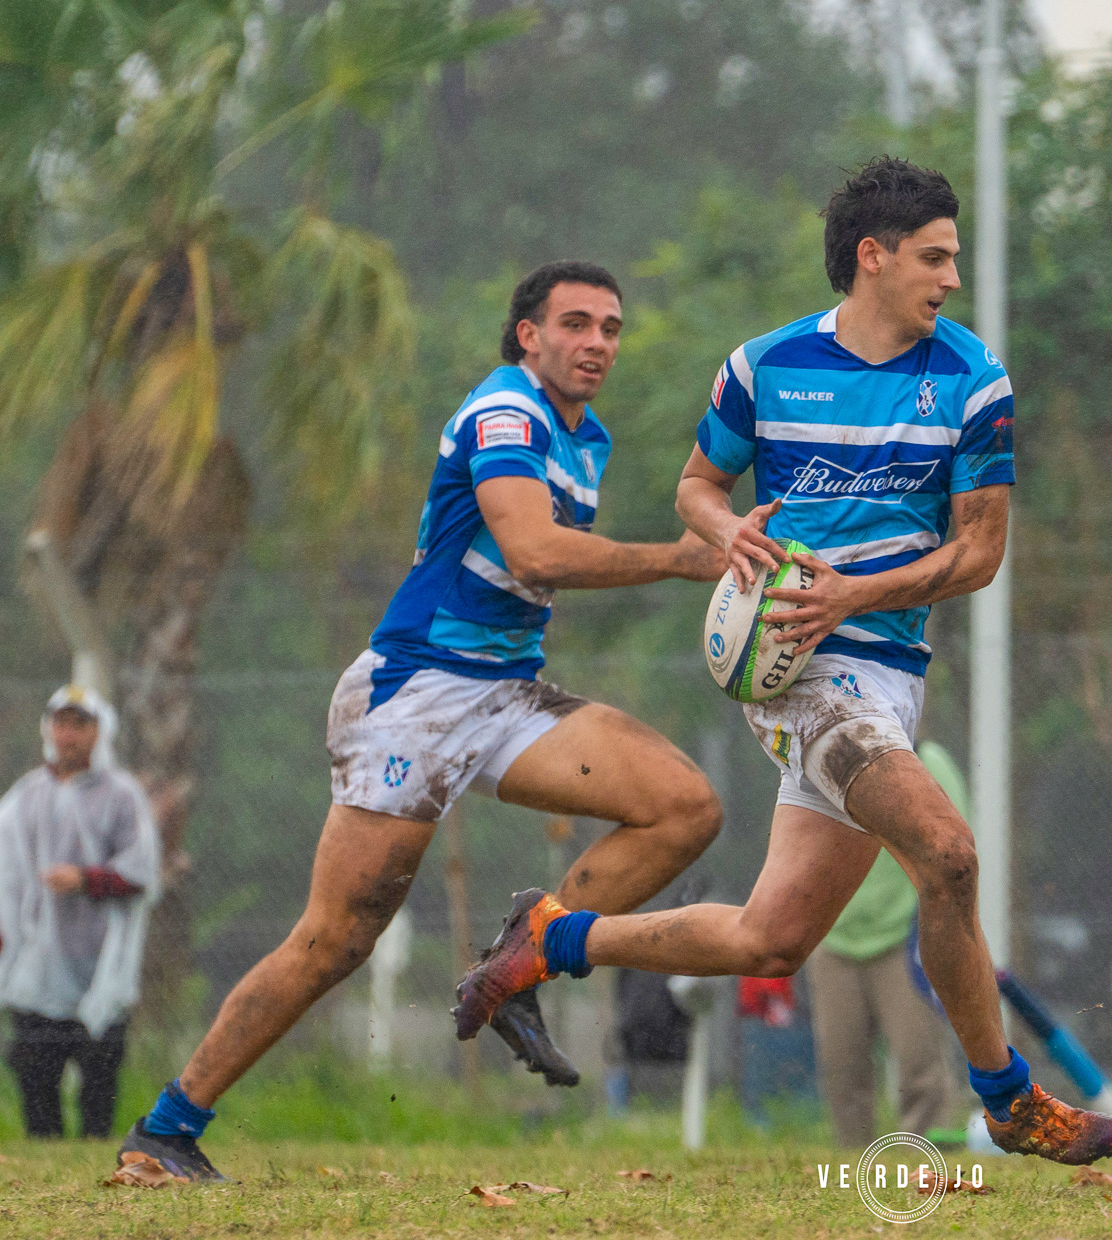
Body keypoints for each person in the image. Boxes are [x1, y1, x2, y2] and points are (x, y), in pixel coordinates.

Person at [453, 157, 1112, 1165]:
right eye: (934, 257)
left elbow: (980, 553)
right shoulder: (762, 366)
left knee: (770, 936)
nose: (949, 277)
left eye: (953, 258)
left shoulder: (975, 380)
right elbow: (694, 486)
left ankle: (547, 939)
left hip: (888, 673)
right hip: (797, 676)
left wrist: (857, 590)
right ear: (873, 257)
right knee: (948, 850)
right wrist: (729, 530)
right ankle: (1010, 1097)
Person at [116, 261, 726, 1180]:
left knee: (684, 806)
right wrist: (681, 560)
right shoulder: (505, 413)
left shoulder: (585, 433)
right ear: (528, 334)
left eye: (610, 327)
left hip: (507, 692)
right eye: (576, 323)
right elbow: (533, 549)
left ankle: (527, 955)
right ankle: (165, 1129)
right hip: (417, 695)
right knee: (336, 940)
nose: (598, 341)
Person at [0, 686, 159, 1139]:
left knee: (99, 1077)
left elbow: (142, 871)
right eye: (61, 723)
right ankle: (44, 1152)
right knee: (34, 1072)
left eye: (80, 724)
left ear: (99, 731)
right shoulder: (24, 797)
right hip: (36, 965)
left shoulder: (121, 796)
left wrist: (88, 879)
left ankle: (96, 1153)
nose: (68, 735)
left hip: (98, 962)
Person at [807, 739, 962, 1148]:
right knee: (842, 1069)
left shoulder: (928, 760)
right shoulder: (818, 757)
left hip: (904, 939)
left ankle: (928, 1162)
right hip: (833, 937)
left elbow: (954, 848)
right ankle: (852, 1167)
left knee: (919, 1066)